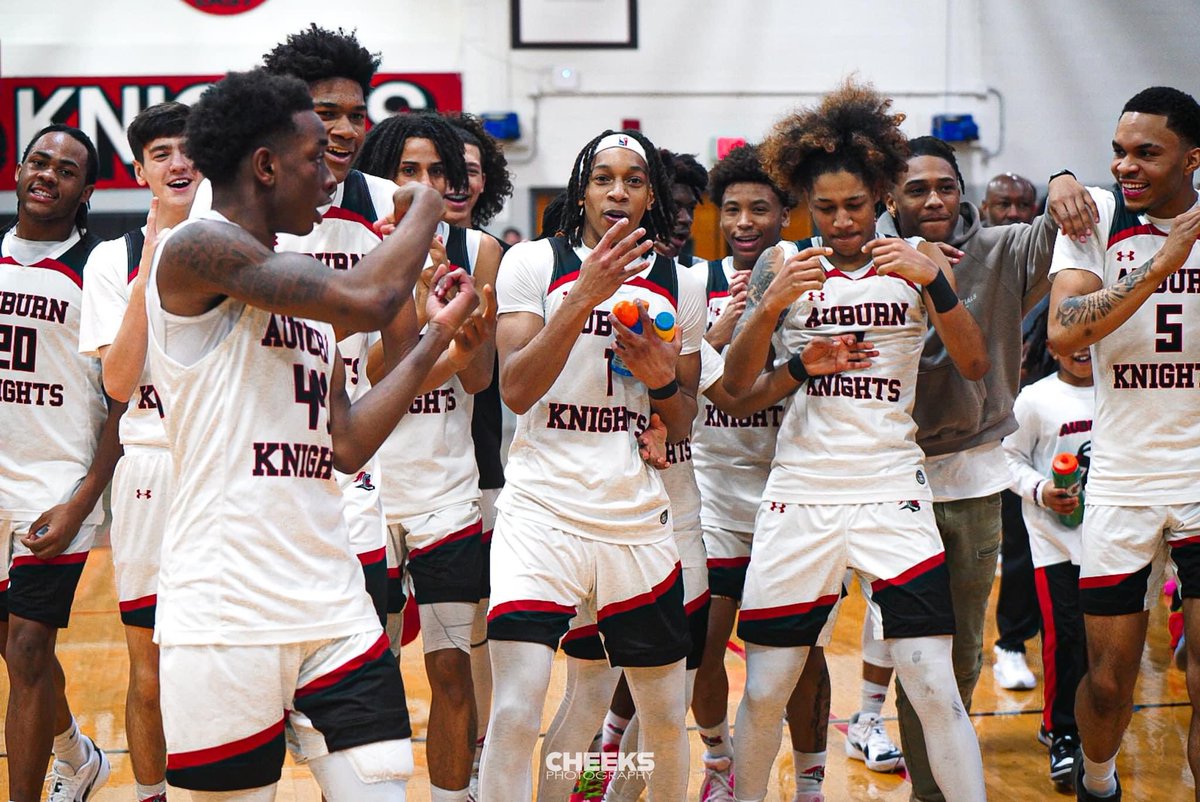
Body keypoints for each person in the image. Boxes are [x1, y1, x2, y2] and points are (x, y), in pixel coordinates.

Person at [144, 68, 477, 801]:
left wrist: (432, 345)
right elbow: (369, 295)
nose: (331, 176)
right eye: (311, 158)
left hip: (333, 605)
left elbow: (348, 443)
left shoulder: (297, 297)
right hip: (226, 613)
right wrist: (427, 206)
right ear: (265, 166)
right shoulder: (198, 249)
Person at [723, 80, 991, 802]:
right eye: (825, 208)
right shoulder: (783, 267)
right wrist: (772, 307)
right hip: (801, 493)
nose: (841, 221)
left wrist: (936, 285)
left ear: (881, 195)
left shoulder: (914, 262)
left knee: (935, 684)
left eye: (855, 205)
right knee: (766, 688)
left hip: (890, 491)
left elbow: (974, 365)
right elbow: (734, 389)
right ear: (805, 205)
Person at [482, 129, 702, 802]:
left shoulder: (679, 282)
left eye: (634, 180)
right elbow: (516, 389)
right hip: (541, 510)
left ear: (650, 196)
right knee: (517, 709)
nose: (618, 190)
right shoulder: (532, 265)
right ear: (583, 190)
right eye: (604, 177)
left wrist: (663, 383)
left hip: (634, 516)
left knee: (660, 718)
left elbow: (684, 419)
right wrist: (585, 294)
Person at [877, 135, 1094, 801]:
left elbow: (1064, 220)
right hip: (887, 479)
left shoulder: (999, 250)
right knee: (914, 655)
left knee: (963, 652)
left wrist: (1060, 175)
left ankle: (935, 786)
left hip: (972, 477)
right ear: (891, 197)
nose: (935, 199)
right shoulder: (864, 259)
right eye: (917, 189)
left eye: (945, 186)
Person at [1047, 85, 1200, 802]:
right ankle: (1099, 783)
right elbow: (1066, 330)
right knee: (1108, 687)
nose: (1126, 165)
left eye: (1146, 152)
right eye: (1117, 150)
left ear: (1192, 159)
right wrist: (1159, 267)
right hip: (1122, 480)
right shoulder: (1095, 219)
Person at [358, 109, 501, 802]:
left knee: (451, 671)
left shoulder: (477, 252)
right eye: (407, 170)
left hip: (446, 487)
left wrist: (457, 329)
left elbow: (477, 376)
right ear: (380, 176)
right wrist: (423, 315)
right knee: (370, 674)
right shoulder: (351, 246)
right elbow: (364, 380)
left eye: (436, 172)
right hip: (366, 488)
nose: (424, 184)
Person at [78, 101, 199, 802]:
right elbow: (119, 381)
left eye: (188, 150)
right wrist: (152, 263)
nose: (178, 163)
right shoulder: (111, 259)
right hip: (151, 465)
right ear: (140, 171)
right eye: (161, 154)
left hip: (227, 469)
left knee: (223, 662)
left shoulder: (236, 244)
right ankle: (152, 792)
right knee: (146, 668)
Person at [1, 124, 120, 802]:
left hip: (57, 490)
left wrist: (83, 500)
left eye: (66, 169)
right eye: (38, 161)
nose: (48, 174)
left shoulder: (96, 272)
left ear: (86, 190)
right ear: (19, 171)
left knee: (26, 652)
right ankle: (76, 755)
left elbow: (124, 403)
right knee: (20, 655)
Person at [446, 110, 516, 795]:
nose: (460, 181)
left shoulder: (489, 252)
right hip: (378, 463)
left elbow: (483, 375)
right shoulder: (370, 246)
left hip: (476, 462)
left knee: (476, 627)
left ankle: (481, 758)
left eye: (472, 169)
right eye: (446, 169)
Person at [1002, 336, 1094, 790]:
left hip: (1116, 543)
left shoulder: (1123, 391)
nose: (1081, 348)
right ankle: (1061, 731)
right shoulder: (1035, 399)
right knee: (1066, 637)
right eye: (1070, 340)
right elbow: (1008, 458)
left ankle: (1099, 728)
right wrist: (1041, 491)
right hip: (1054, 542)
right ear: (1052, 345)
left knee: (1108, 646)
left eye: (1091, 338)